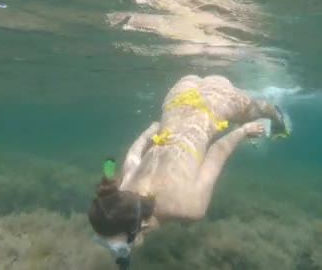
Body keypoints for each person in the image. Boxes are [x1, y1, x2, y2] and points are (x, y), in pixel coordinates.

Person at [87, 75, 291, 269]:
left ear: (143, 227)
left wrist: (243, 131)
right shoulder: (124, 191)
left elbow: (216, 151)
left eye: (118, 247)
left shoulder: (187, 208)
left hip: (216, 105)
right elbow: (133, 156)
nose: (115, 253)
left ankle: (277, 117)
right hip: (177, 98)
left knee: (260, 110)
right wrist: (149, 132)